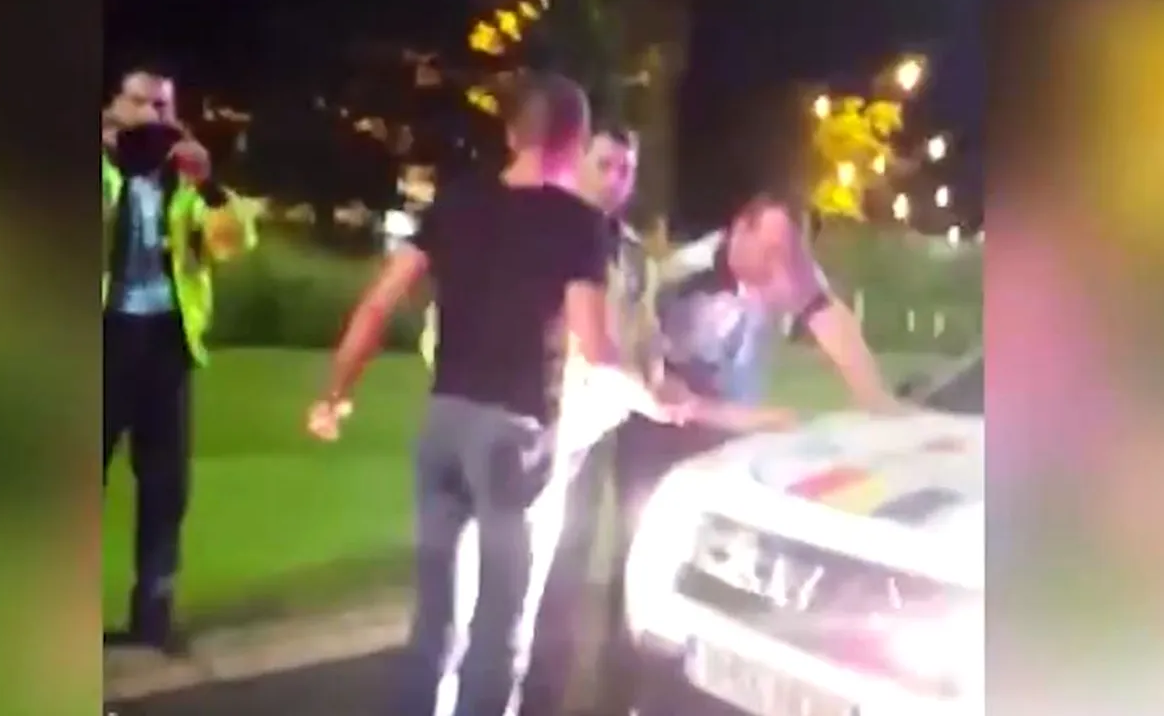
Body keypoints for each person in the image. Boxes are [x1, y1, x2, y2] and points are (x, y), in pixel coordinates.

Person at [305, 73, 683, 716]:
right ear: (576, 143)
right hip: (516, 437)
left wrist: (335, 394)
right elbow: (596, 346)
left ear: (512, 134)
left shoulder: (455, 203)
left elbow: (377, 304)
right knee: (502, 625)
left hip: (444, 424)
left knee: (434, 619)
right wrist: (657, 401)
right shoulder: (579, 225)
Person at [598, 193, 904, 712]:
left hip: (729, 435)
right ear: (738, 229)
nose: (778, 268)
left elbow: (831, 320)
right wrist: (751, 418)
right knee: (649, 555)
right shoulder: (678, 277)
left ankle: (719, 682)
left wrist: (879, 403)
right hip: (660, 434)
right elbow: (658, 386)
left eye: (787, 254)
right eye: (769, 251)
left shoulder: (787, 268)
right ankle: (630, 689)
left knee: (736, 565)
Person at [102, 63, 258, 654]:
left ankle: (153, 614)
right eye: (140, 102)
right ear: (116, 105)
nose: (152, 116)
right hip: (102, 337)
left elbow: (233, 243)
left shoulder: (186, 181)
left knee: (166, 484)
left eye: (163, 105)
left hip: (167, 341)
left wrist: (210, 186)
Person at [517, 122, 658, 716]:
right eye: (605, 164)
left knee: (571, 566)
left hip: (598, 425)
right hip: (539, 418)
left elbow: (640, 329)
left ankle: (543, 697)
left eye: (626, 169)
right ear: (578, 162)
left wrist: (647, 376)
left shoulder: (631, 251)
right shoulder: (542, 229)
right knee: (521, 567)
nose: (616, 179)